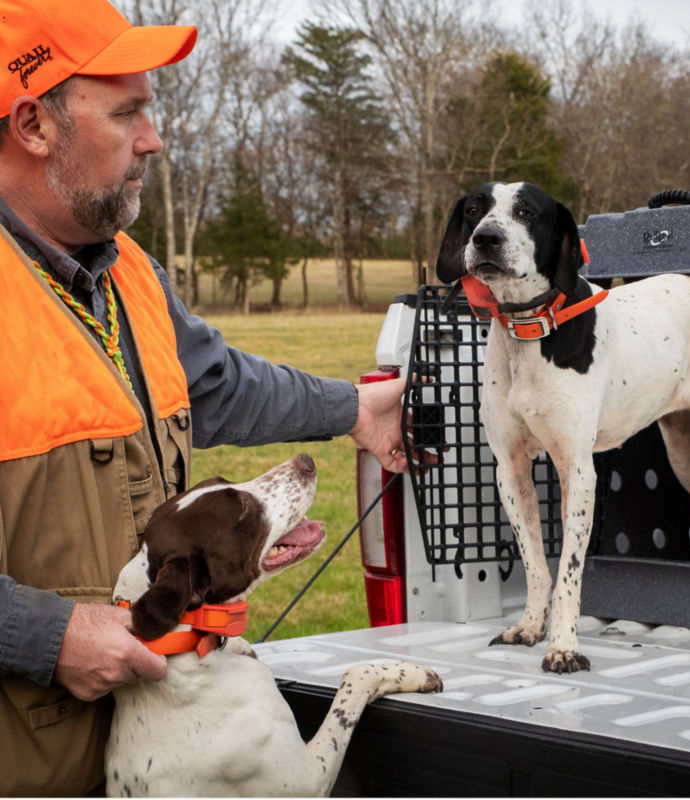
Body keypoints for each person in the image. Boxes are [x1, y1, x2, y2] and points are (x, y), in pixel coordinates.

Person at [0, 0, 421, 794]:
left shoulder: (126, 273)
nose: (153, 138)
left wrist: (356, 410)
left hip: (154, 757)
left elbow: (218, 387)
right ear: (33, 125)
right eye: (128, 112)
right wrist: (45, 634)